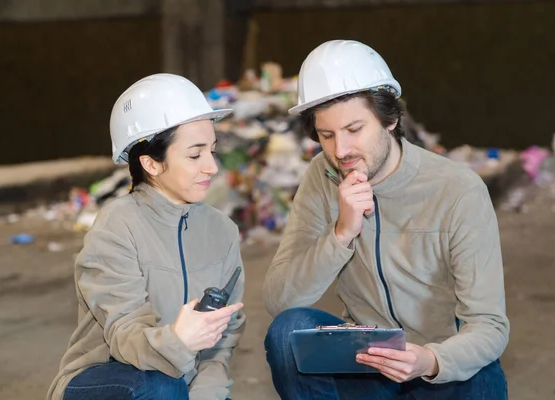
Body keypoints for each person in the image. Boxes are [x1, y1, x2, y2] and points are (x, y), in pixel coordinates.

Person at [263, 39, 509, 399]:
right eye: (326, 135)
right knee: (288, 332)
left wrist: (429, 360)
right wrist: (341, 233)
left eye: (354, 129)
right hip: (367, 360)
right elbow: (280, 299)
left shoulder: (457, 189)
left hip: (438, 365)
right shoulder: (322, 176)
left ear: (390, 119)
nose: (340, 151)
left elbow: (489, 326)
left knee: (483, 376)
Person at [47, 73, 246, 400]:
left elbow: (222, 341)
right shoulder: (118, 224)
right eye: (195, 155)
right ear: (151, 163)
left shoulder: (221, 231)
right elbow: (124, 336)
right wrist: (178, 341)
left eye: (212, 150)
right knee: (160, 385)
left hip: (178, 389)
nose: (212, 166)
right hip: (108, 381)